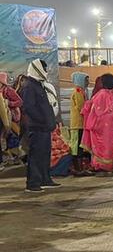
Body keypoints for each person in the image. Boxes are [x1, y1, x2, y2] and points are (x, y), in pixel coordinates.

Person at [19, 59, 60, 192]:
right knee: (36, 155)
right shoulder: (29, 85)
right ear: (38, 69)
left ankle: (45, 179)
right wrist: (42, 119)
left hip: (44, 127)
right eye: (44, 68)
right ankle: (33, 183)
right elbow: (29, 107)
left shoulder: (38, 85)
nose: (46, 71)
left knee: (44, 154)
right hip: (36, 127)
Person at [81, 73, 113, 176]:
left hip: (100, 125)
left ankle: (100, 167)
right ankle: (108, 167)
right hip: (110, 126)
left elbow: (95, 109)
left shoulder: (101, 94)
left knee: (99, 146)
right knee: (109, 146)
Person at [69, 72, 92, 176]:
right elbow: (81, 107)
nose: (88, 82)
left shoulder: (82, 91)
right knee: (77, 147)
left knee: (79, 147)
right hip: (77, 124)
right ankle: (78, 169)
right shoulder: (78, 92)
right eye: (86, 80)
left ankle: (80, 168)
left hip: (80, 123)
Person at [0, 72, 22, 168]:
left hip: (11, 119)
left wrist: (8, 103)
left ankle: (17, 157)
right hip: (2, 119)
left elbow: (20, 102)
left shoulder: (8, 90)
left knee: (12, 137)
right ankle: (9, 158)